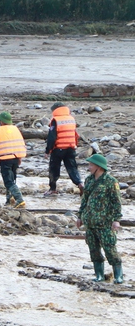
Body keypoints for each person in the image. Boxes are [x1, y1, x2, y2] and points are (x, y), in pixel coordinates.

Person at [78, 154, 124, 284]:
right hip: (90, 221)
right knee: (94, 250)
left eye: (91, 165)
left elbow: (117, 202)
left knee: (110, 249)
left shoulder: (111, 182)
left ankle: (118, 275)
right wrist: (80, 216)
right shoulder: (89, 180)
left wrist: (116, 219)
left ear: (98, 167)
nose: (89, 167)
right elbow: (84, 200)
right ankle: (99, 275)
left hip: (105, 222)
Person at [44, 102, 83, 197]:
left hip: (58, 148)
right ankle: (80, 184)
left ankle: (52, 189)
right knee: (72, 167)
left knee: (54, 169)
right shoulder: (71, 119)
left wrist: (47, 150)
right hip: (70, 147)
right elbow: (75, 134)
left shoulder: (55, 120)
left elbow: (52, 137)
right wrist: (74, 145)